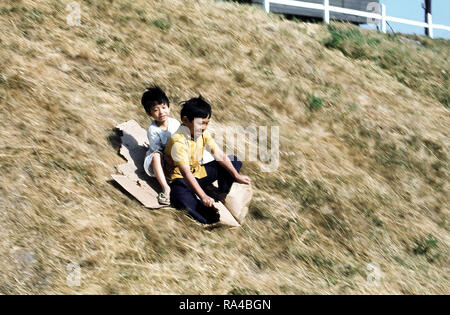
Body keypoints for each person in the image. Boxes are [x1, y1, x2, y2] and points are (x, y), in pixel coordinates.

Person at [164, 96, 251, 224]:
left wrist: (236, 175)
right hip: (181, 180)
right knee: (180, 197)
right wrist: (203, 196)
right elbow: (186, 173)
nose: (204, 127)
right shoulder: (178, 142)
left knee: (234, 161)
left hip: (199, 173)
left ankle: (221, 193)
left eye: (207, 123)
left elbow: (218, 154)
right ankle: (205, 208)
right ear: (185, 120)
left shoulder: (202, 134)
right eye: (201, 123)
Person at [141, 85, 180, 205]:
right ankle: (165, 188)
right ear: (149, 113)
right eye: (156, 110)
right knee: (156, 156)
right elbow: (156, 150)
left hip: (176, 155)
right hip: (162, 157)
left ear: (168, 106)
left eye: (163, 107)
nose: (161, 112)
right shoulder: (153, 130)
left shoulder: (174, 123)